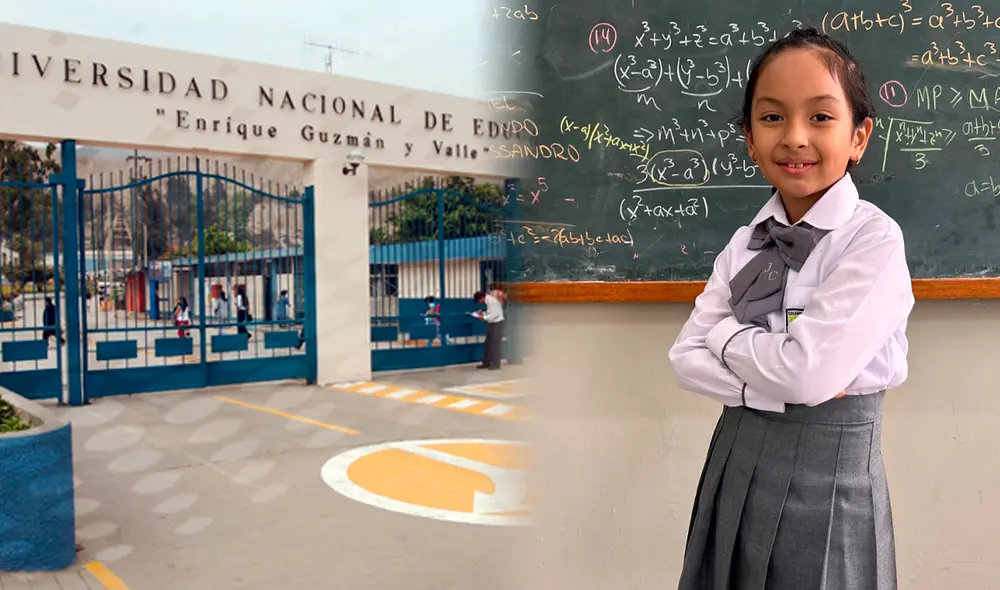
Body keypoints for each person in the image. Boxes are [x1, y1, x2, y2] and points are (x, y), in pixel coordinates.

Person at [667, 28, 913, 590]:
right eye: (772, 117)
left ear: (860, 136)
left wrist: (727, 337)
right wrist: (772, 376)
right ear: (750, 139)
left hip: (833, 471)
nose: (795, 137)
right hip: (735, 455)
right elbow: (684, 357)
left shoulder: (871, 240)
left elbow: (808, 373)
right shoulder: (744, 240)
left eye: (821, 117)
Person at [472, 290, 504, 370]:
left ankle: (496, 364)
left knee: (495, 345)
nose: (480, 302)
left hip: (497, 323)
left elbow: (494, 315)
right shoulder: (489, 301)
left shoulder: (491, 301)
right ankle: (487, 362)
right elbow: (491, 312)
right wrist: (483, 313)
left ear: (482, 298)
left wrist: (483, 317)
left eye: (479, 300)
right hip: (492, 323)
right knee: (488, 344)